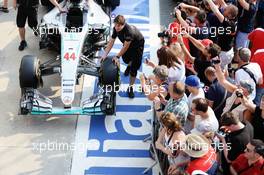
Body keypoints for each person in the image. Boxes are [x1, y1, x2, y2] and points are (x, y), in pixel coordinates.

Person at [101, 15, 145, 98]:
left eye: (119, 26)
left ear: (123, 24)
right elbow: (111, 42)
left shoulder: (129, 32)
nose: (116, 27)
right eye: (115, 25)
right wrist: (104, 54)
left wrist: (117, 56)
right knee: (126, 60)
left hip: (137, 47)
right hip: (127, 45)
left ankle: (130, 88)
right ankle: (129, 65)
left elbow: (125, 47)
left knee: (133, 70)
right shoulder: (115, 28)